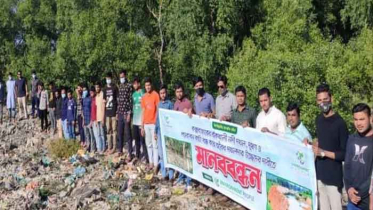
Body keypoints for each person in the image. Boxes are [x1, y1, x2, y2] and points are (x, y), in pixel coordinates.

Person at [312, 83, 348, 210]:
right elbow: (322, 141)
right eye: (320, 100)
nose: (323, 103)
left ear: (331, 99)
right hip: (319, 175)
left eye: (325, 100)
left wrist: (323, 153)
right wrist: (312, 143)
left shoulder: (340, 123)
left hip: (333, 178)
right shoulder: (318, 120)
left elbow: (344, 154)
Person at [344, 103, 373, 210]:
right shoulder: (351, 139)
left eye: (362, 119)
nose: (358, 123)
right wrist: (349, 189)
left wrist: (358, 194)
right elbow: (347, 167)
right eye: (356, 119)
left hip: (368, 203)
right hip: (352, 202)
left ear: (370, 118)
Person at [173, 82, 193, 189]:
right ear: (175, 93)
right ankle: (181, 177)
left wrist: (189, 112)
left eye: (181, 91)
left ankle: (189, 180)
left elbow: (193, 116)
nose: (179, 93)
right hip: (178, 134)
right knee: (180, 156)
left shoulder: (188, 103)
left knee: (188, 158)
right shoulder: (175, 104)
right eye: (177, 92)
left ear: (183, 92)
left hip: (187, 134)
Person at [155, 84, 174, 180]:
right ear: (159, 94)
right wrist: (155, 131)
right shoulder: (158, 104)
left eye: (164, 93)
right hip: (159, 132)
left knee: (169, 154)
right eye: (161, 93)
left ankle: (171, 175)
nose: (163, 95)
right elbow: (157, 118)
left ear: (166, 93)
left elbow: (172, 118)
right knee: (161, 155)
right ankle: (163, 174)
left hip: (168, 133)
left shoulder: (170, 104)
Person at [141, 77, 160, 170]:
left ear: (151, 85)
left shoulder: (155, 95)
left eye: (149, 85)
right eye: (146, 85)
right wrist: (142, 126)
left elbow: (158, 110)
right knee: (148, 144)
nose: (148, 87)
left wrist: (157, 124)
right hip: (146, 124)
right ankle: (151, 162)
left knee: (155, 144)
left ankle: (156, 164)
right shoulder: (144, 97)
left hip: (153, 123)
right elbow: (143, 111)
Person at [117, 70, 133, 158]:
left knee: (128, 134)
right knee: (120, 133)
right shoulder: (120, 86)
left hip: (126, 113)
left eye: (123, 77)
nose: (121, 78)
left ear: (125, 76)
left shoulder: (129, 86)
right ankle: (120, 150)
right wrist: (117, 112)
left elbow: (130, 100)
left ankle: (130, 152)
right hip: (120, 112)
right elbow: (118, 100)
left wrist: (129, 113)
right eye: (120, 77)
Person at [132, 77, 148, 162]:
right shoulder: (133, 95)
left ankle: (147, 158)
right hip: (135, 121)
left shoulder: (143, 93)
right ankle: (137, 156)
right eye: (133, 84)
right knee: (136, 139)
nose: (134, 85)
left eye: (136, 83)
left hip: (142, 122)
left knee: (143, 141)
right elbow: (134, 107)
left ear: (139, 84)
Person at [103, 73, 118, 154]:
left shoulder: (115, 88)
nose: (108, 80)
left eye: (109, 78)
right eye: (106, 78)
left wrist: (117, 111)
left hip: (114, 112)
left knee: (114, 130)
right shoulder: (104, 89)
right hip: (107, 113)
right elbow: (104, 100)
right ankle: (109, 146)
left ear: (111, 79)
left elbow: (117, 100)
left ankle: (115, 147)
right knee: (108, 130)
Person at [82, 86, 95, 153]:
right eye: (83, 90)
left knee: (91, 136)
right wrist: (83, 120)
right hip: (85, 120)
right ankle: (88, 147)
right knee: (86, 135)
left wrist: (91, 121)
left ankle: (93, 149)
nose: (84, 92)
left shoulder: (90, 99)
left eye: (85, 90)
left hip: (90, 120)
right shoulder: (83, 99)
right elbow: (83, 110)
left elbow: (92, 111)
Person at [95, 82, 106, 153]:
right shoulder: (96, 96)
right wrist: (96, 119)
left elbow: (104, 107)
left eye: (98, 87)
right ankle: (100, 148)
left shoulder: (102, 94)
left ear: (100, 87)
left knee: (102, 134)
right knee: (98, 134)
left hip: (102, 117)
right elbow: (96, 108)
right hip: (97, 118)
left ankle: (104, 148)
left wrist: (103, 118)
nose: (97, 88)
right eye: (96, 87)